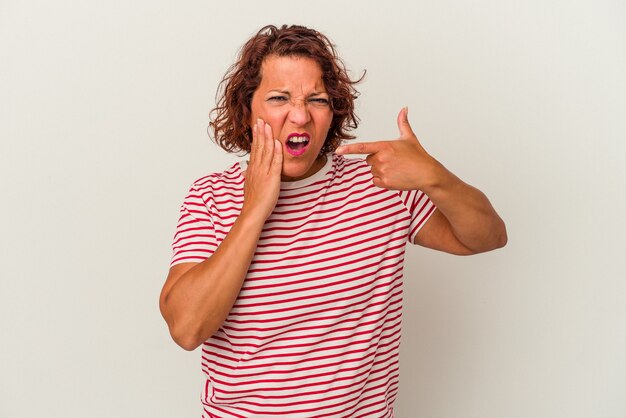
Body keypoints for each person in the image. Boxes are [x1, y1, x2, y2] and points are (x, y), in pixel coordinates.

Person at [159, 24, 507, 418]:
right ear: (247, 108)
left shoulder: (381, 184)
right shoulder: (212, 196)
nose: (300, 115)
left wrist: (434, 176)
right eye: (279, 98)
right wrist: (256, 207)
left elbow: (488, 236)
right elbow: (186, 328)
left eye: (317, 100)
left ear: (332, 111)